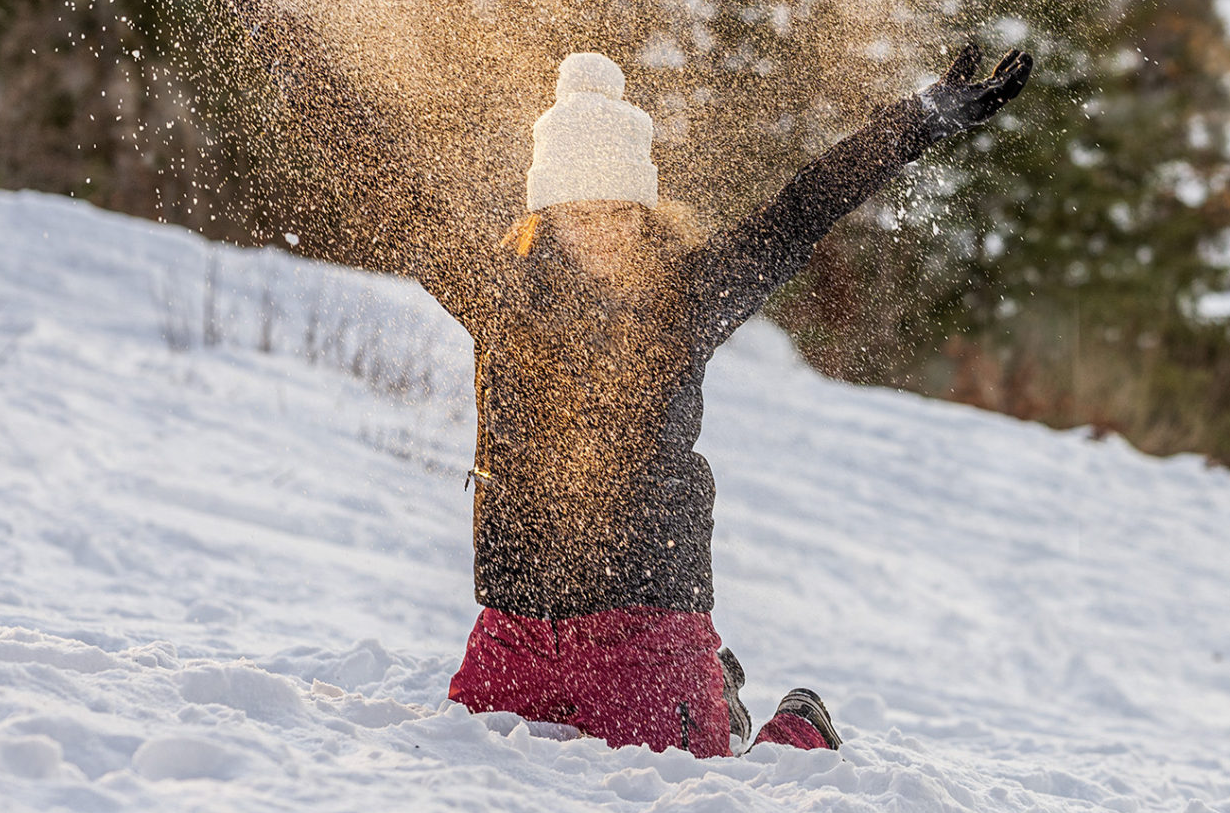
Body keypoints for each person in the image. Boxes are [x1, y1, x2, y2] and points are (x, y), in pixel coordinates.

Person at [438, 40, 1031, 754]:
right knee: (466, 749)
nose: (605, 231)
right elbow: (380, 174)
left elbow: (800, 210)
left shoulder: (685, 295)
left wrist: (919, 120)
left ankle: (791, 723)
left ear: (645, 206)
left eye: (622, 210)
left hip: (649, 627)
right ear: (549, 212)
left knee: (705, 792)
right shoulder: (499, 295)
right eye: (583, 212)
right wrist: (264, 14)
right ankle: (716, 693)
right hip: (516, 631)